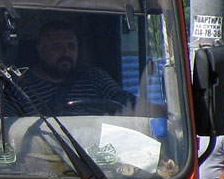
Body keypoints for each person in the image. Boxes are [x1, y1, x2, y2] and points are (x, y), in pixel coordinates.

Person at [7, 20, 135, 116]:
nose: (66, 53)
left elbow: (128, 103)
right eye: (57, 47)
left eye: (71, 47)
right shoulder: (20, 88)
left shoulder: (95, 78)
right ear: (41, 50)